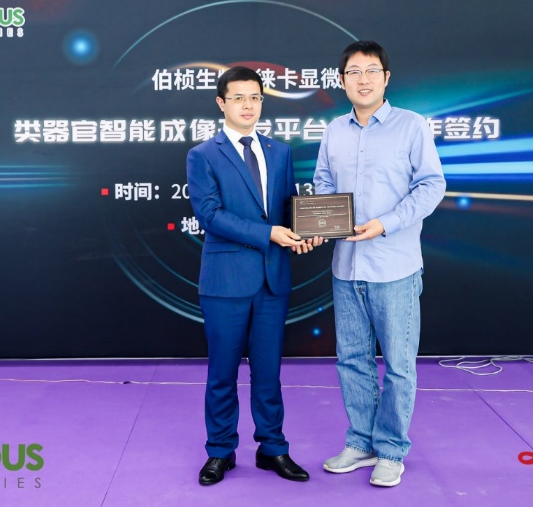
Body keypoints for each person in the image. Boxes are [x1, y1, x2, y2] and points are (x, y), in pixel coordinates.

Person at [314, 40, 445, 487]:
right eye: (353, 72)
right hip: (346, 267)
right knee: (351, 359)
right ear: (342, 81)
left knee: (399, 365)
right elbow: (323, 184)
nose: (363, 79)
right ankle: (361, 442)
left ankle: (391, 450)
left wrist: (385, 224)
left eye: (372, 70)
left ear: (386, 78)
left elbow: (431, 186)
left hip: (394, 267)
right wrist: (320, 221)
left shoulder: (411, 126)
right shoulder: (334, 130)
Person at [186, 65, 317, 486]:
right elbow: (209, 215)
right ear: (221, 103)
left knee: (268, 372)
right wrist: (269, 234)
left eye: (255, 97)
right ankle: (220, 451)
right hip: (225, 281)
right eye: (238, 98)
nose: (248, 105)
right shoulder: (203, 155)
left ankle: (273, 448)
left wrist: (305, 233)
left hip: (272, 279)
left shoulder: (280, 152)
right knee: (222, 373)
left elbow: (289, 207)